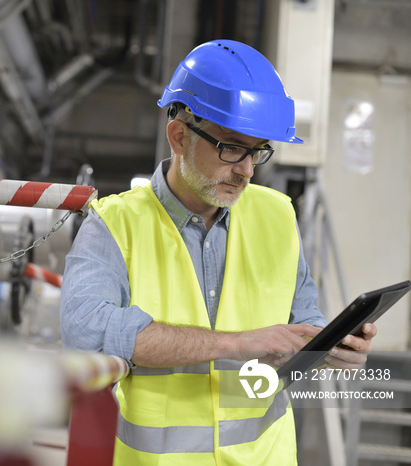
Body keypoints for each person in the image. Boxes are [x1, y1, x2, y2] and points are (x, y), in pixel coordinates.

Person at [60, 39, 377, 465]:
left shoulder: (278, 217)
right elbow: (83, 329)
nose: (246, 169)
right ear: (178, 137)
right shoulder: (114, 225)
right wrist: (238, 343)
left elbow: (303, 322)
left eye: (258, 150)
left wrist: (331, 347)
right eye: (231, 147)